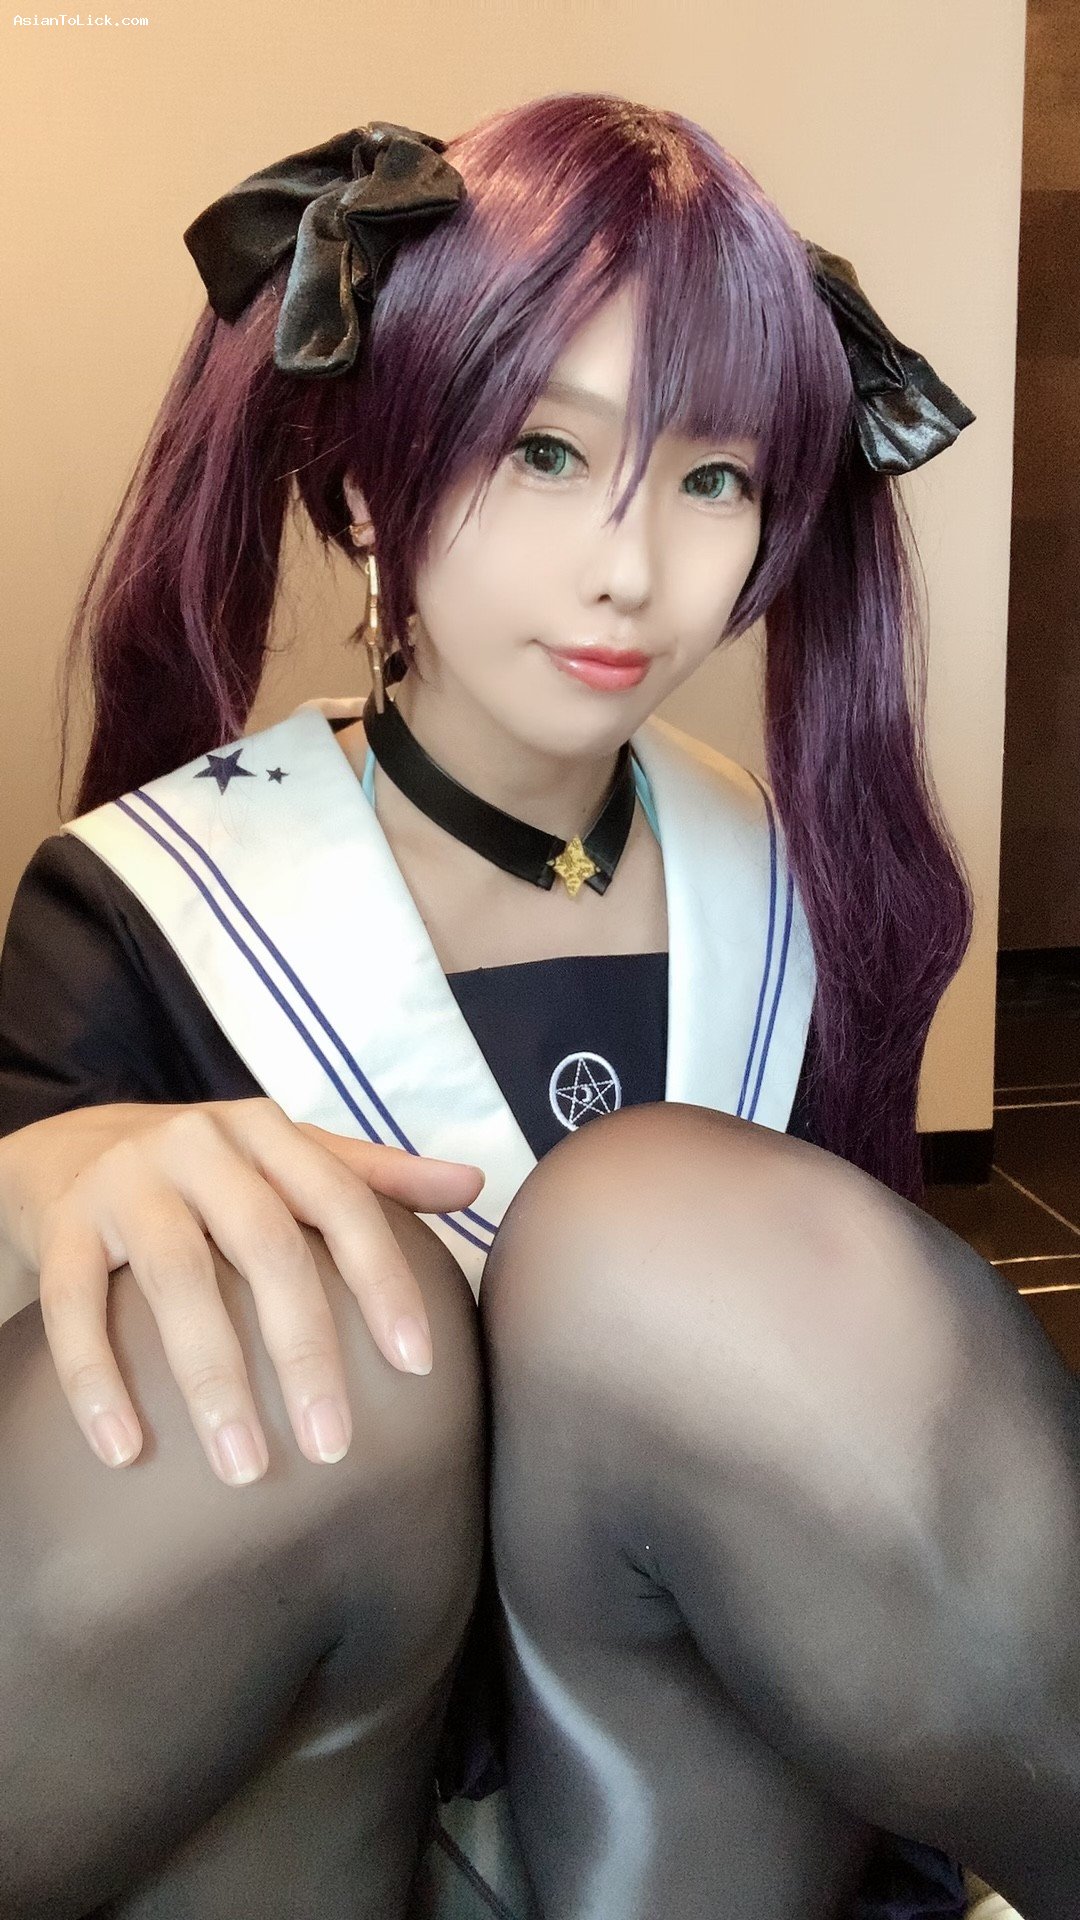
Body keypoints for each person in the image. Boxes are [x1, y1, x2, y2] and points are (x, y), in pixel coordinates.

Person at [0, 92, 1075, 1920]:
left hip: (698, 1786)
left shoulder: (791, 883)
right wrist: (37, 1182)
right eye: (546, 452)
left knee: (672, 1232)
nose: (631, 569)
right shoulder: (148, 897)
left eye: (714, 478)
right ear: (365, 484)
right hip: (275, 1789)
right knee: (302, 1310)